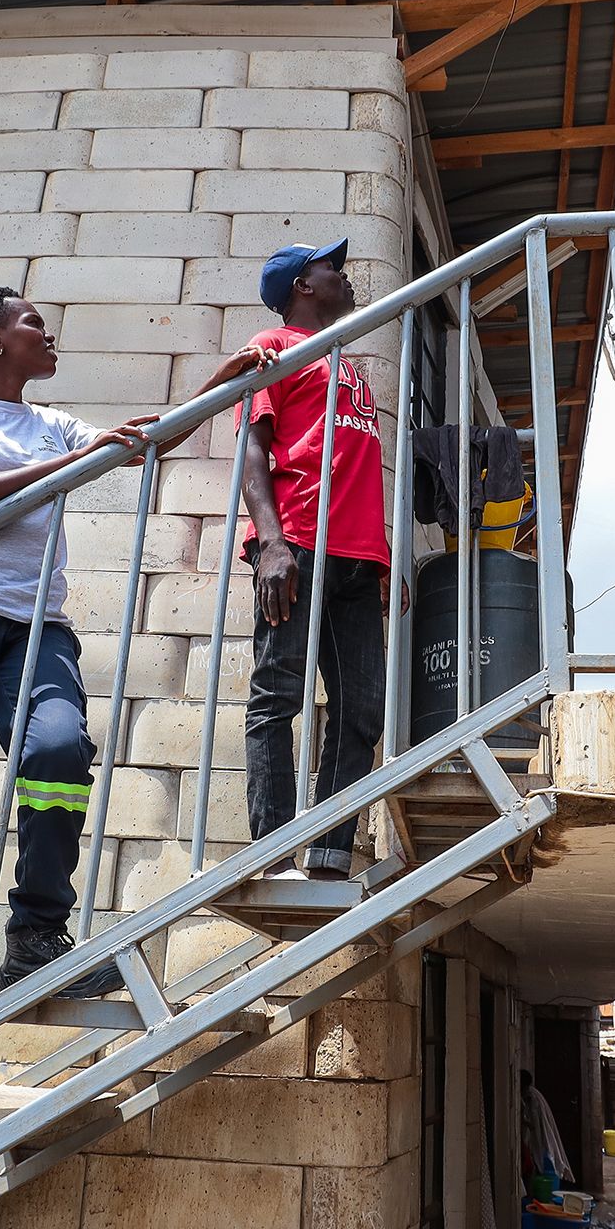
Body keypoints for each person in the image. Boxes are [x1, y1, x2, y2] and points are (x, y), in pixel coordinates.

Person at [0, 285, 270, 1118]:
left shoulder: (53, 425)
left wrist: (218, 384)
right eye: (34, 324)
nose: (51, 334)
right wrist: (73, 465)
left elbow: (146, 443)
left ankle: (37, 937)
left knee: (56, 751)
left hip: (33, 627)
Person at [239, 239, 389, 882]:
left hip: (357, 559)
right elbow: (252, 452)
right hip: (296, 543)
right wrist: (270, 541)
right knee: (278, 694)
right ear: (303, 284)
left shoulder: (343, 359)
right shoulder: (273, 347)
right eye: (333, 267)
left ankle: (330, 852)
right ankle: (272, 854)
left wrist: (385, 560)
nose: (344, 275)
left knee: (362, 708)